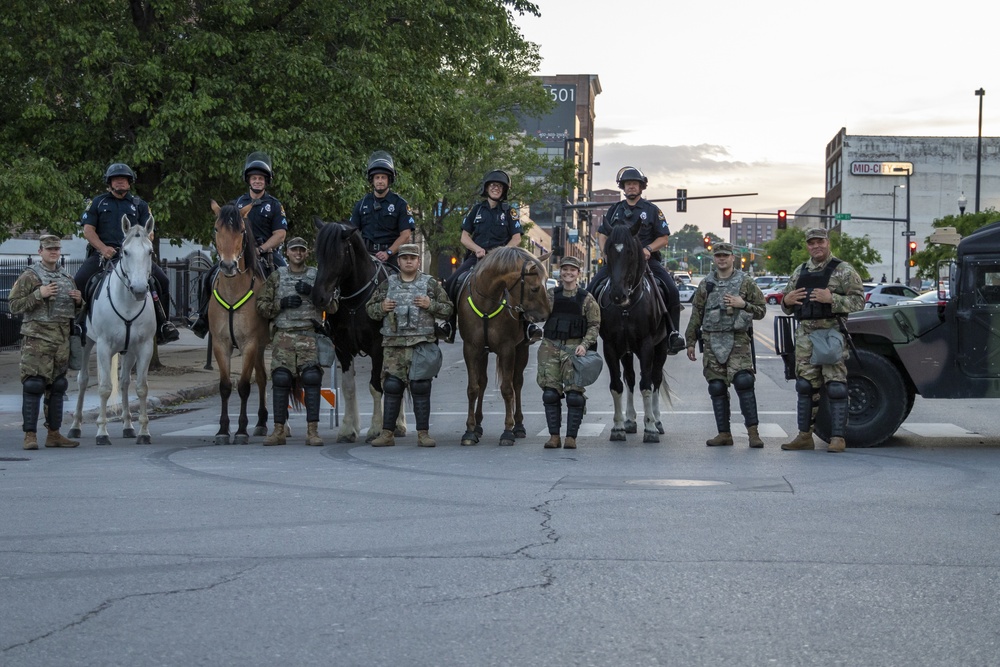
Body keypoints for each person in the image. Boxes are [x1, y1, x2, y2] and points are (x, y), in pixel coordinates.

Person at [780, 228, 865, 453]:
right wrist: (787, 300)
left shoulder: (843, 270)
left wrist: (833, 299)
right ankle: (804, 436)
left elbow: (859, 302)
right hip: (805, 335)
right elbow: (787, 304)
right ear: (807, 246)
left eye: (820, 242)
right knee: (805, 386)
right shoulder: (800, 271)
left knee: (836, 386)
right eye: (811, 243)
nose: (816, 246)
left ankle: (837, 438)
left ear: (827, 243)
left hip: (831, 333)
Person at [75, 163, 179, 344]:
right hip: (103, 254)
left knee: (162, 280)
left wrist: (141, 242)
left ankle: (164, 324)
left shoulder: (140, 205)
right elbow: (88, 231)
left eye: (124, 179)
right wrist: (102, 248)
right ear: (110, 183)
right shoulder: (98, 202)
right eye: (116, 179)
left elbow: (149, 232)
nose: (120, 182)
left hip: (134, 255)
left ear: (130, 183)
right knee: (79, 280)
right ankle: (77, 324)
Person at [191, 151, 289, 338]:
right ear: (248, 180)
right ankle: (203, 318)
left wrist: (261, 249)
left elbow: (280, 234)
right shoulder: (236, 204)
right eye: (254, 178)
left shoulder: (274, 205)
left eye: (261, 178)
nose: (257, 181)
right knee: (208, 276)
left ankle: (282, 323)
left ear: (266, 181)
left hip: (265, 253)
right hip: (237, 253)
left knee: (285, 278)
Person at [589, 166, 684, 354]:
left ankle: (673, 334)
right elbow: (602, 234)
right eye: (628, 184)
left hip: (648, 261)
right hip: (618, 263)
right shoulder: (615, 210)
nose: (631, 187)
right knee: (589, 290)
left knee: (672, 290)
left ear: (641, 187)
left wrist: (648, 249)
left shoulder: (652, 210)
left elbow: (664, 238)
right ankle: (588, 337)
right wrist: (605, 253)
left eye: (635, 184)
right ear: (623, 187)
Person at [365, 244, 453, 447]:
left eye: (412, 258)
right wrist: (381, 307)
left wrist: (429, 305)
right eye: (404, 258)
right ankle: (387, 433)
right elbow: (370, 309)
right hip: (394, 346)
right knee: (392, 386)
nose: (408, 261)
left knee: (420, 387)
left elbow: (448, 309)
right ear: (399, 261)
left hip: (420, 344)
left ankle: (423, 433)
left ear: (418, 261)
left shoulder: (430, 284)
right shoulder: (388, 284)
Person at [684, 243, 767, 448]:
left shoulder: (745, 282)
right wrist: (690, 341)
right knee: (717, 386)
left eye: (725, 256)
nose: (722, 259)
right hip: (712, 341)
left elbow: (761, 310)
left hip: (738, 340)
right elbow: (697, 313)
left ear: (733, 258)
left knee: (744, 382)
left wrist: (743, 304)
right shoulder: (706, 284)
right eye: (718, 256)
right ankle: (724, 433)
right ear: (714, 258)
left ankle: (753, 433)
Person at [10, 235, 84, 449]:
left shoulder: (67, 277)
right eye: (49, 249)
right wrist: (38, 294)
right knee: (34, 385)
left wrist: (80, 301)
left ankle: (54, 433)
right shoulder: (30, 276)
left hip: (61, 341)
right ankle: (30, 435)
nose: (53, 252)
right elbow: (14, 305)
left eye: (57, 249)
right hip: (37, 340)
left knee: (58, 386)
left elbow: (75, 312)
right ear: (40, 251)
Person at [255, 237, 329, 447]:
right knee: (280, 379)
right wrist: (281, 303)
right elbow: (261, 306)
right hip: (284, 336)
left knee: (312, 378)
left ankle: (312, 431)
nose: (298, 253)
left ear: (307, 253)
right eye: (294, 250)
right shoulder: (277, 277)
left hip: (308, 334)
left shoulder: (316, 276)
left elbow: (332, 305)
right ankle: (278, 430)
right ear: (287, 253)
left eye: (302, 250)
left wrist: (314, 294)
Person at [441, 169, 525, 343]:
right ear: (486, 188)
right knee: (451, 282)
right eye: (493, 185)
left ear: (504, 190)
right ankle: (449, 325)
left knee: (522, 284)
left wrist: (501, 253)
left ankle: (527, 326)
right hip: (477, 257)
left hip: (502, 260)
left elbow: (516, 238)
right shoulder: (476, 209)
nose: (496, 188)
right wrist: (477, 249)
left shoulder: (510, 212)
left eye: (499, 186)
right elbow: (464, 237)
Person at [537, 255, 601, 450]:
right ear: (560, 272)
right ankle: (554, 436)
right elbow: (538, 313)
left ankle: (571, 437)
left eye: (572, 270)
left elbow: (594, 325)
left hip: (574, 349)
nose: (568, 273)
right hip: (550, 347)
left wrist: (586, 344)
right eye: (565, 269)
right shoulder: (550, 295)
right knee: (550, 394)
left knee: (574, 396)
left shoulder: (586, 298)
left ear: (578, 273)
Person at [349, 151, 415, 271]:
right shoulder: (361, 204)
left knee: (404, 284)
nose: (380, 181)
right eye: (377, 177)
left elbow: (405, 235)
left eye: (383, 177)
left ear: (389, 180)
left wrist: (388, 252)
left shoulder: (400, 204)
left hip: (392, 257)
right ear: (372, 180)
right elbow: (352, 232)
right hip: (365, 256)